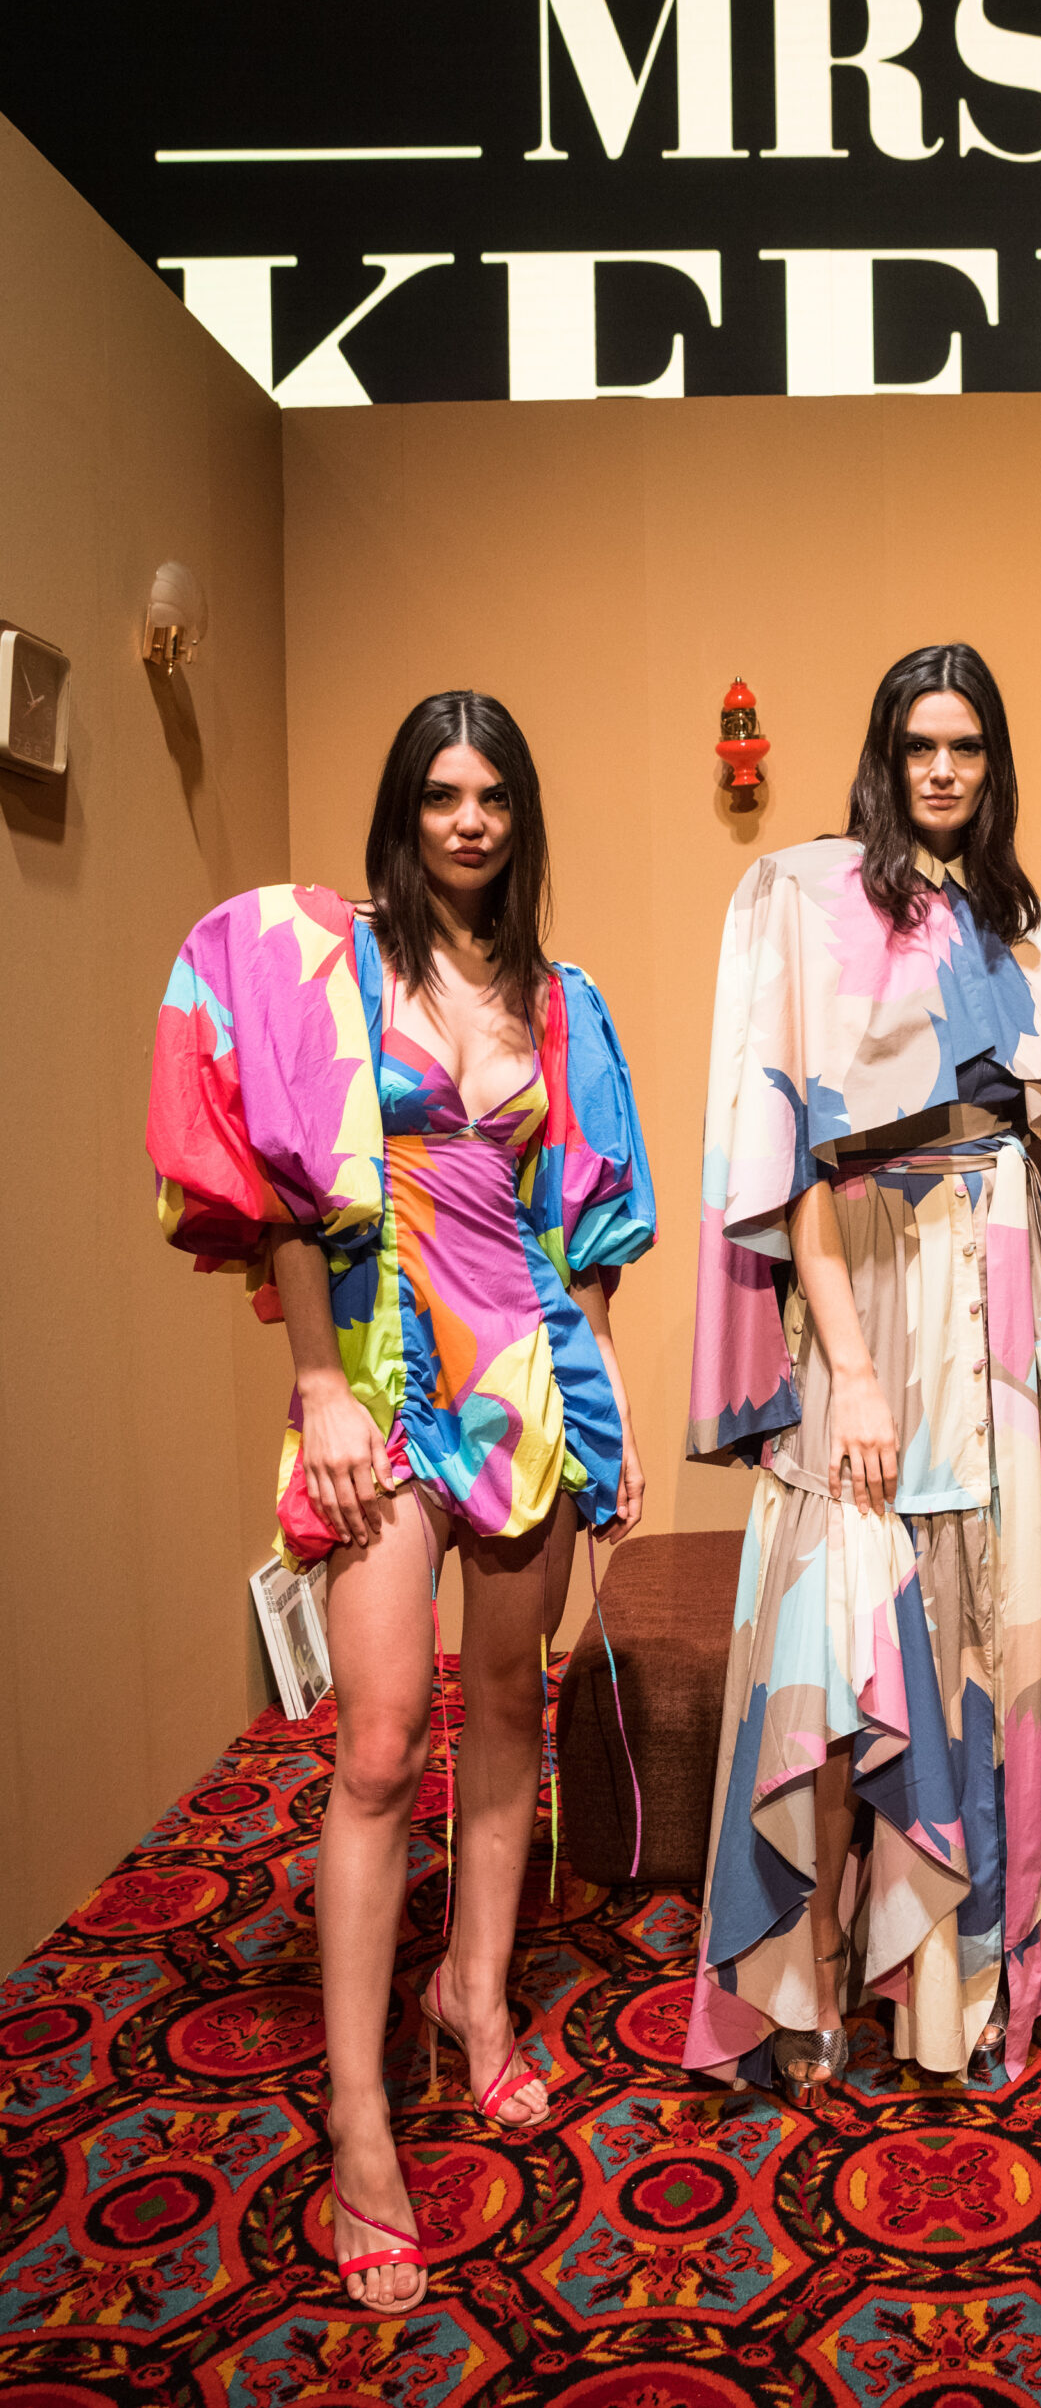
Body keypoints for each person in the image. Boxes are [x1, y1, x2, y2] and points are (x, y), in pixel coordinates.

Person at [148, 692, 653, 2309]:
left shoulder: (563, 1003)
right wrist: (313, 1387)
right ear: (404, 810)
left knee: (508, 1704)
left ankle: (476, 1995)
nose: (469, 819)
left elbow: (584, 1226)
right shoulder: (331, 968)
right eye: (441, 793)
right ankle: (359, 2119)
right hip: (373, 1375)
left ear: (520, 816)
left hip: (522, 1379)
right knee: (378, 1748)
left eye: (493, 793)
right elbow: (284, 1196)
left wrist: (602, 1396)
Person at [684, 642, 1041, 2100]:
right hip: (872, 1285)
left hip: (1005, 1296)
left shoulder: (1033, 932)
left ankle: (966, 1983)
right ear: (884, 761)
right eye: (919, 747)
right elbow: (795, 1160)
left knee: (998, 1625)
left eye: (967, 748)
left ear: (995, 765)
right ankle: (812, 1967)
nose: (943, 771)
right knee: (845, 1634)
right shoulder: (813, 905)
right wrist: (854, 1369)